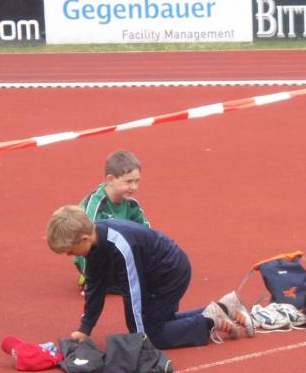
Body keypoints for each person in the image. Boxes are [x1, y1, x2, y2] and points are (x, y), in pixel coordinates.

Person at [46, 205, 255, 349]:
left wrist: (140, 337)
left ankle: (209, 321)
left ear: (84, 238)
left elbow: (132, 292)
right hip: (154, 275)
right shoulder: (94, 243)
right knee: (159, 323)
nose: (70, 255)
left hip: (170, 273)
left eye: (70, 251)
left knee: (152, 335)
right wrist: (85, 328)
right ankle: (225, 307)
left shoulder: (120, 245)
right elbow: (95, 286)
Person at [74, 149, 150, 289]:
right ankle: (91, 277)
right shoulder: (96, 205)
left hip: (114, 250)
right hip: (92, 255)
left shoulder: (131, 204)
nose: (134, 187)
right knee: (133, 285)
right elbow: (85, 242)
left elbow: (147, 234)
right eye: (128, 182)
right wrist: (91, 278)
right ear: (110, 180)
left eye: (137, 181)